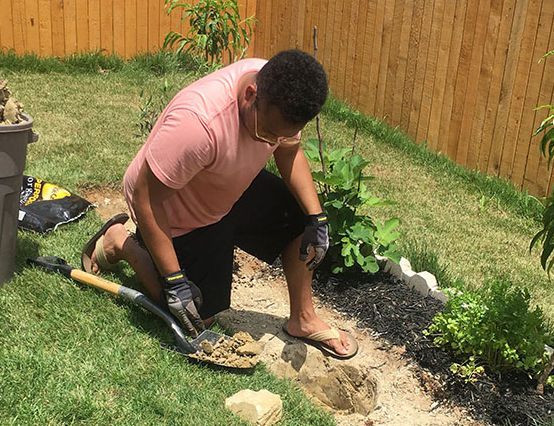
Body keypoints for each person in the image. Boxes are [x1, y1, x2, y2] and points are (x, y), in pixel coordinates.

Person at [81, 49, 357, 359]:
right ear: (251, 95)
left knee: (300, 218)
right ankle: (122, 242)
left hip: (227, 186)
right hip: (176, 210)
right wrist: (174, 280)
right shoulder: (198, 123)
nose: (270, 143)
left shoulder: (281, 93)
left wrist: (316, 218)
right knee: (195, 314)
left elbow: (289, 151)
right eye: (266, 133)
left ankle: (302, 318)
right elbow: (146, 197)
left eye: (279, 135)